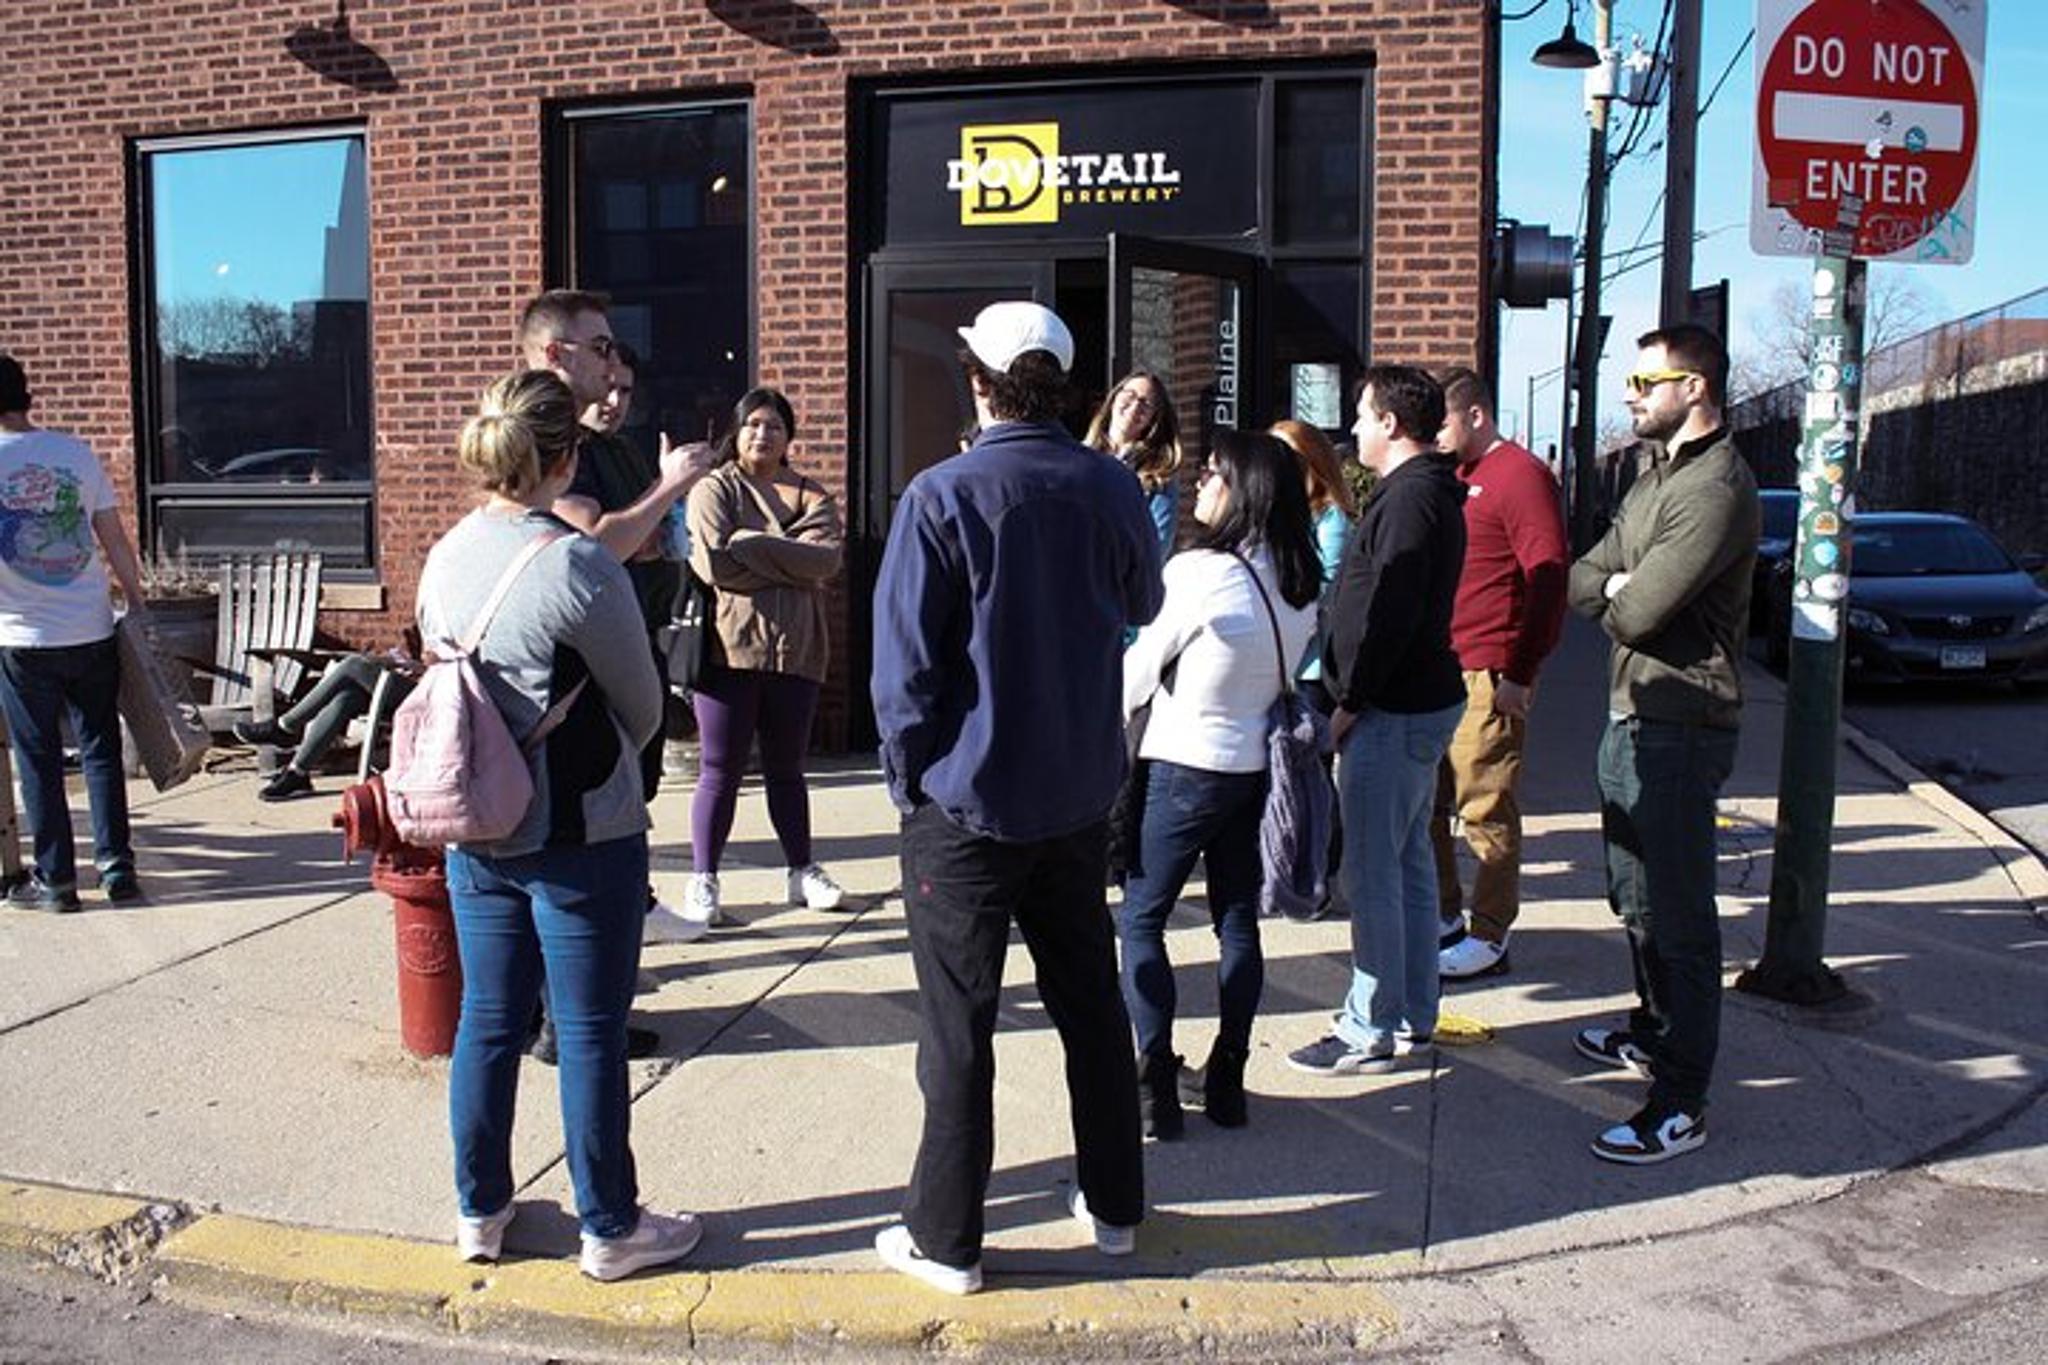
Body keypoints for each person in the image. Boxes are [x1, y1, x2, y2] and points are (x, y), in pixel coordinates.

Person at [870, 300, 1161, 1294]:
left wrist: (906, 782)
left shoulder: (940, 494)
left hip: (966, 801)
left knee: (959, 1028)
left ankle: (947, 1240)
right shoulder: (1110, 486)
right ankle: (1115, 1204)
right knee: (1088, 1003)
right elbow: (1142, 606)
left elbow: (903, 675)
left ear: (977, 378)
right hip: (1078, 794)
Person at [423, 369, 699, 1281]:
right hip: (581, 826)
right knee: (588, 1030)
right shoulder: (578, 564)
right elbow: (643, 703)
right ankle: (610, 1225)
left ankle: (479, 1208)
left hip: (475, 819)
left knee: (488, 1021)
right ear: (566, 457)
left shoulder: (445, 553)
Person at [1568, 324, 1758, 1165]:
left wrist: (1620, 588)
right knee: (1634, 899)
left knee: (1679, 917)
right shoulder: (1654, 478)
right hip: (1632, 715)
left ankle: (1682, 1099)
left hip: (1682, 722)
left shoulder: (1715, 486)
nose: (1632, 393)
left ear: (1697, 387)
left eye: (1648, 379)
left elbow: (1639, 610)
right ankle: (1653, 1031)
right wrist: (1619, 584)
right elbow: (1585, 576)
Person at [1118, 430, 1319, 1138]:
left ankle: (1152, 1080)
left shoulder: (1201, 573)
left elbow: (1137, 674)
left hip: (1182, 766)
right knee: (1236, 920)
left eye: (1213, 473)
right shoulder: (1298, 580)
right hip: (1253, 771)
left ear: (1245, 489)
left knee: (1142, 916)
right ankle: (1228, 1074)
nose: (1199, 482)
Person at [1287, 365, 1466, 1077]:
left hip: (1390, 711)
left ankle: (1370, 1025)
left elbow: (1384, 617)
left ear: (1391, 423)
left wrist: (1347, 704)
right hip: (1413, 702)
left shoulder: (1409, 504)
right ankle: (1414, 1012)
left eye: (1362, 416)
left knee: (1374, 872)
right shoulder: (1419, 495)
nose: (1353, 430)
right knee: (1408, 862)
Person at [551, 340, 713, 944]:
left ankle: (634, 904)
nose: (614, 402)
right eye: (607, 386)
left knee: (635, 788)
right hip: (592, 650)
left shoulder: (620, 452)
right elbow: (598, 543)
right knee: (601, 796)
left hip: (642, 627)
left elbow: (646, 539)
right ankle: (615, 920)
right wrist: (667, 491)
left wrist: (654, 513)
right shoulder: (571, 457)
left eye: (625, 391)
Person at [683, 387, 845, 925]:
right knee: (719, 769)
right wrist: (787, 557)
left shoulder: (811, 492)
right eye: (752, 423)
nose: (762, 434)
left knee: (787, 770)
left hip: (797, 649)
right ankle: (704, 878)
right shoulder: (715, 488)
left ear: (789, 436)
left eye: (774, 425)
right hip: (729, 649)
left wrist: (751, 543)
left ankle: (802, 870)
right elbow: (714, 565)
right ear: (737, 429)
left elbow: (824, 562)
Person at [1429, 368, 1570, 980]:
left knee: (1484, 806)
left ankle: (1489, 936)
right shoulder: (1457, 476)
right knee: (1427, 805)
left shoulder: (1519, 476)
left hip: (1488, 672)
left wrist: (1521, 670)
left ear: (1477, 415)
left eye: (1443, 422)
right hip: (1437, 668)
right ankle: (1442, 918)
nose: (1434, 436)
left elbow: (1548, 574)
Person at [0, 353, 150, 910]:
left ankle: (57, 881)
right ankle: (117, 869)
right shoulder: (74, 454)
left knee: (36, 758)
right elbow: (112, 536)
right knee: (100, 751)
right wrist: (135, 601)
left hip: (20, 638)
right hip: (90, 628)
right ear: (26, 394)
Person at [1269, 417, 1356, 906]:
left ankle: (1320, 872)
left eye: (1288, 454)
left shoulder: (1332, 521)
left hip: (1310, 671)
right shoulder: (1277, 514)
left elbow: (1316, 594)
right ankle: (1290, 867)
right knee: (1282, 777)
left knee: (1311, 778)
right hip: (1274, 663)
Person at [233, 647, 419, 801]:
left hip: (432, 697)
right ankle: (297, 772)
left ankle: (285, 727)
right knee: (346, 697)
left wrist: (421, 666)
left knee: (354, 665)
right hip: (418, 687)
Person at [1086, 370, 1182, 562]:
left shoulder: (1159, 475)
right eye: (1130, 395)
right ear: (1114, 398)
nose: (1136, 405)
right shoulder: (1077, 457)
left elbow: (1157, 546)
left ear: (1153, 419)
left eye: (1146, 403)